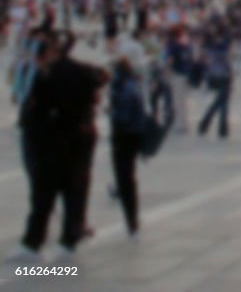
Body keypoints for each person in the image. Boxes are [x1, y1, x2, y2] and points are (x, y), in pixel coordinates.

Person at [15, 32, 109, 263]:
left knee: (43, 193)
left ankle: (33, 243)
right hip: (80, 138)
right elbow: (102, 77)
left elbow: (33, 112)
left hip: (51, 141)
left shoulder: (46, 76)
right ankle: (69, 239)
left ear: (49, 52)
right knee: (75, 190)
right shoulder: (83, 70)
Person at [108, 57, 146, 239]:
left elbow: (123, 115)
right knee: (128, 177)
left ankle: (132, 222)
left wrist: (111, 111)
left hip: (123, 137)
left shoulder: (123, 87)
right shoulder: (134, 84)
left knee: (125, 178)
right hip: (134, 137)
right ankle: (133, 220)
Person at [197, 27, 232, 138]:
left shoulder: (205, 48)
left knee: (221, 101)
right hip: (223, 76)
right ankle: (215, 125)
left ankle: (217, 126)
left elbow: (203, 63)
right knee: (221, 102)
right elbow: (226, 62)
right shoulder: (220, 47)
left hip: (211, 77)